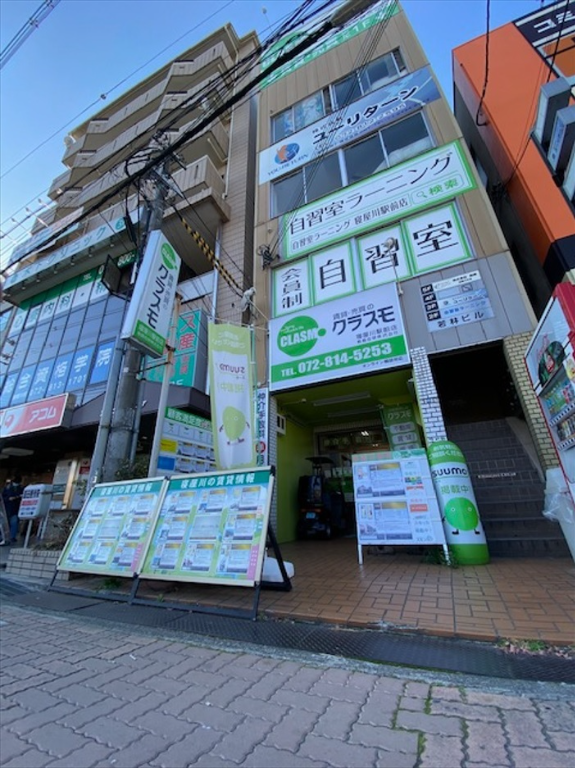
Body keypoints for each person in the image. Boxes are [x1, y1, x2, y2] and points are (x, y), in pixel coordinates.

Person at [1, 475, 23, 545]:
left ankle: (12, 537)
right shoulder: (7, 488)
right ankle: (4, 537)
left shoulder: (21, 489)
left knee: (14, 522)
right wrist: (8, 499)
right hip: (6, 509)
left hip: (15, 509)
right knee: (6, 524)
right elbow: (2, 498)